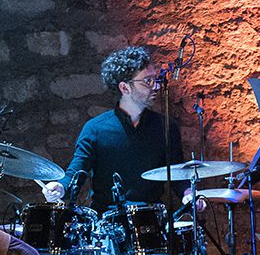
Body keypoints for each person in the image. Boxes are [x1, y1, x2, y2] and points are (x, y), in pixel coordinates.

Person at [43, 46, 183, 209]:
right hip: (107, 224)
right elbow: (75, 173)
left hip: (152, 220)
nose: (156, 86)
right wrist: (60, 187)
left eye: (155, 79)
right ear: (125, 88)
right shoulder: (95, 130)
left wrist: (188, 194)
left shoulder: (166, 127)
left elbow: (178, 175)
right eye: (148, 81)